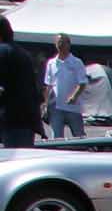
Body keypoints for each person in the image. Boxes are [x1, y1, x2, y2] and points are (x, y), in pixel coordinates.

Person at [0, 16, 44, 146]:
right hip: (27, 119)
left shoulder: (2, 52)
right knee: (23, 154)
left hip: (8, 118)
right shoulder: (24, 54)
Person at [43, 34, 89, 139]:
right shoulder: (51, 63)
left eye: (63, 42)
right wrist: (46, 105)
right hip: (56, 107)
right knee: (56, 138)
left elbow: (82, 83)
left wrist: (74, 96)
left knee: (79, 136)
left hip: (73, 107)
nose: (60, 45)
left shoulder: (77, 62)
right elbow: (48, 85)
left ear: (69, 44)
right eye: (58, 42)